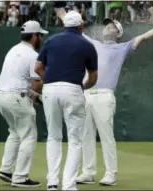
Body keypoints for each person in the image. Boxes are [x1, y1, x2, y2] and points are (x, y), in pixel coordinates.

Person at [57, 9, 153, 186]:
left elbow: (144, 37)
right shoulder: (93, 44)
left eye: (111, 26)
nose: (106, 28)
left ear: (117, 33)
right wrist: (59, 9)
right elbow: (73, 25)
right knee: (86, 135)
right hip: (86, 95)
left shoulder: (122, 47)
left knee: (106, 136)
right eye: (106, 25)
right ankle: (88, 172)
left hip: (105, 96)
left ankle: (110, 174)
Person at [35, 10, 98, 191]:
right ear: (81, 26)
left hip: (50, 90)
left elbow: (38, 67)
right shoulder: (87, 45)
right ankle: (68, 185)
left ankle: (52, 183)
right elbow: (93, 76)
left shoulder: (51, 40)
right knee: (75, 140)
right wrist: (83, 87)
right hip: (73, 90)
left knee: (54, 136)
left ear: (63, 25)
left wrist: (49, 80)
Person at [0, 20, 48, 188]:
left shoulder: (14, 50)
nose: (41, 38)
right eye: (39, 35)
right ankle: (20, 177)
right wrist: (36, 96)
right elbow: (37, 81)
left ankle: (6, 169)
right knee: (29, 135)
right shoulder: (32, 55)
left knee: (15, 132)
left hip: (2, 96)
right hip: (17, 97)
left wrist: (33, 95)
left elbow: (19, 80)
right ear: (34, 36)